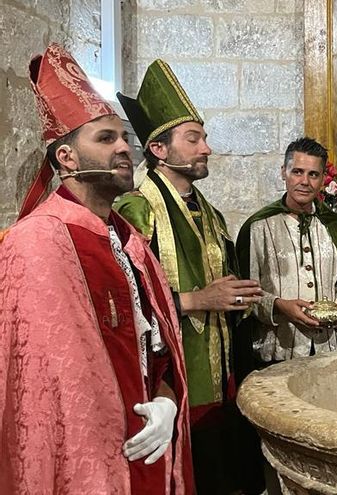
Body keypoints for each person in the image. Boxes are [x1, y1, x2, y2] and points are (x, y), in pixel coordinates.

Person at [0, 43, 193, 493]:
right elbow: (37, 392)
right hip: (88, 466)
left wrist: (167, 404)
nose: (125, 148)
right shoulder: (36, 244)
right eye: (106, 139)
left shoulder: (132, 243)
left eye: (124, 137)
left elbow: (159, 350)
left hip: (149, 448)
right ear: (66, 158)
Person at [114, 59, 264, 494]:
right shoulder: (137, 210)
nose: (206, 148)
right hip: (170, 386)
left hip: (220, 381)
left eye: (204, 137)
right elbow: (124, 300)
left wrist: (243, 298)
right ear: (159, 150)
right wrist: (199, 299)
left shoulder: (211, 214)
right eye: (193, 138)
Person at [235, 136, 337, 365]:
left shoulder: (333, 226)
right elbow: (245, 294)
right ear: (283, 172)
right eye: (297, 171)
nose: (305, 181)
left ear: (323, 179)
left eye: (313, 174)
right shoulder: (259, 226)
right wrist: (279, 306)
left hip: (329, 350)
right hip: (278, 350)